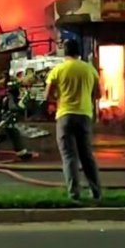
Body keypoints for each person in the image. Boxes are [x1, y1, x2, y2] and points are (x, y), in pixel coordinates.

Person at [45, 39, 103, 201]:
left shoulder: (58, 70)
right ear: (79, 52)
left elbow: (47, 94)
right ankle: (96, 192)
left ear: (65, 52)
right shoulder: (89, 69)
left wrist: (58, 98)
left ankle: (74, 194)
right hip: (84, 115)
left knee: (69, 156)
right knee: (86, 155)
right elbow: (99, 94)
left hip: (65, 115)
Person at [0, 75, 32, 162]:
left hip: (6, 118)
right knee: (1, 134)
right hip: (6, 118)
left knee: (14, 134)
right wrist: (21, 104)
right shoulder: (10, 96)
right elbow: (13, 107)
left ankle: (22, 153)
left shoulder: (6, 95)